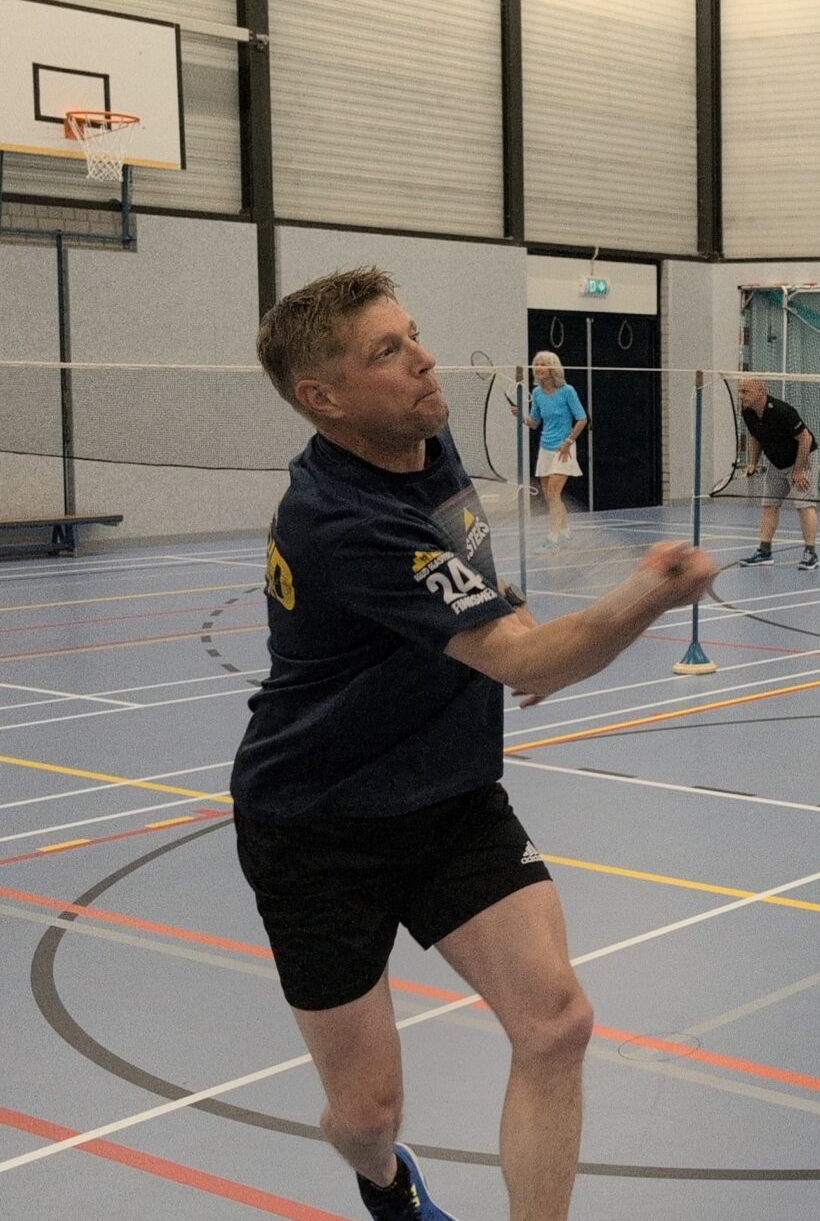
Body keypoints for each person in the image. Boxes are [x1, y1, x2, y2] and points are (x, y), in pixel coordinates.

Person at [236, 267, 717, 1221]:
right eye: (389, 352)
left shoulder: (425, 436)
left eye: (413, 334)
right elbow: (521, 661)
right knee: (366, 1115)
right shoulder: (341, 522)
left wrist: (522, 624)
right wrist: (646, 596)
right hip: (318, 827)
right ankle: (383, 1180)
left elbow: (479, 577)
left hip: (450, 799)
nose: (425, 360)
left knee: (558, 1025)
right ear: (323, 398)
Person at [736, 375, 820, 570]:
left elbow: (806, 439)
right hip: (777, 462)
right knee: (769, 504)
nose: (741, 396)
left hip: (803, 457)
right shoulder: (748, 412)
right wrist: (753, 462)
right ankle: (764, 552)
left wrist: (798, 470)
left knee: (804, 504)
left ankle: (811, 554)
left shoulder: (782, 411)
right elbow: (755, 436)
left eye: (745, 391)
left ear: (761, 392)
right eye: (740, 391)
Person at [522, 350, 586, 550]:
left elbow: (582, 419)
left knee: (553, 493)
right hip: (545, 448)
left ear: (553, 368)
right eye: (536, 364)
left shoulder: (567, 391)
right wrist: (520, 416)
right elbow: (534, 422)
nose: (538, 368)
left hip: (563, 449)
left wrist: (568, 441)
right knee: (550, 496)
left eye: (543, 364)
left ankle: (552, 538)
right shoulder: (537, 394)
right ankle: (565, 533)